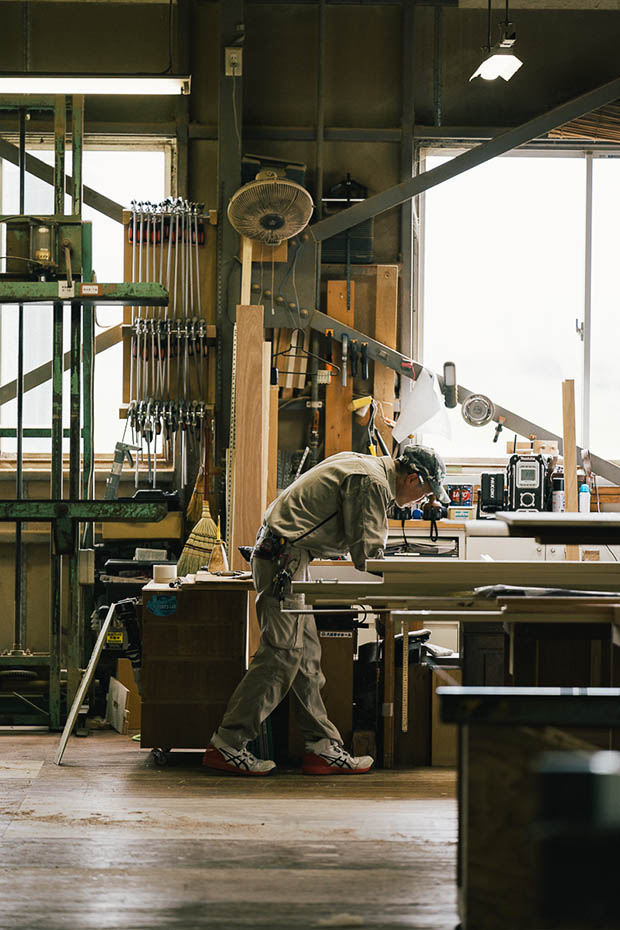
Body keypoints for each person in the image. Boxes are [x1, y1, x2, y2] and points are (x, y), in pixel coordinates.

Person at [203, 443, 449, 777]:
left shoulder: (366, 465)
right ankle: (227, 743)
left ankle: (321, 748)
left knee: (304, 659)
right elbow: (368, 556)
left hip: (287, 556)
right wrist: (418, 581)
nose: (423, 500)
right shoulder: (373, 482)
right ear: (413, 478)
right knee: (281, 654)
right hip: (284, 559)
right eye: (426, 492)